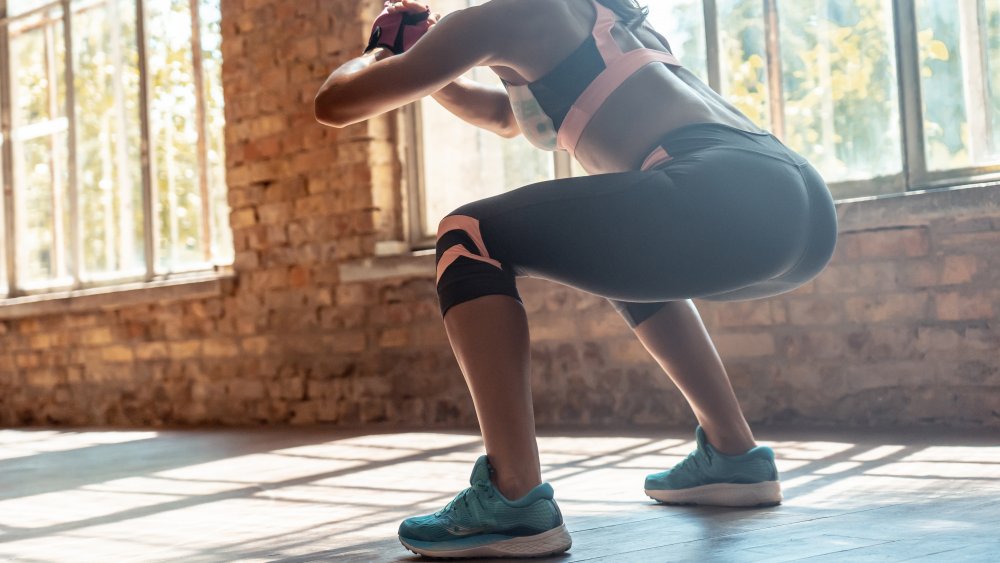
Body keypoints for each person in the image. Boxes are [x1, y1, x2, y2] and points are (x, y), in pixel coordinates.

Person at [315, 0, 838, 557]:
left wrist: (383, 49)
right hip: (794, 206)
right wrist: (426, 64)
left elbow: (336, 104)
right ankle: (734, 456)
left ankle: (513, 498)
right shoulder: (604, 17)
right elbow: (504, 115)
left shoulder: (504, 16)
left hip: (719, 191)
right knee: (626, 256)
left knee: (467, 234)